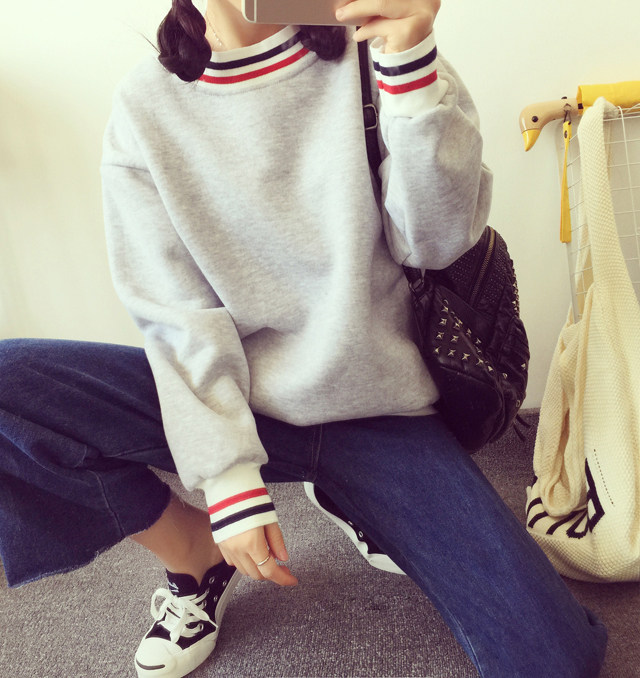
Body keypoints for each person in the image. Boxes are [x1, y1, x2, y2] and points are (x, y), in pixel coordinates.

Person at [0, 0, 608, 676]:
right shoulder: (146, 106)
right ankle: (192, 554)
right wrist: (227, 478)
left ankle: (351, 493)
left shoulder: (374, 46)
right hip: (244, 399)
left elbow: (438, 244)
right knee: (8, 382)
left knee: (556, 658)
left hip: (381, 410)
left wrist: (411, 68)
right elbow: (176, 313)